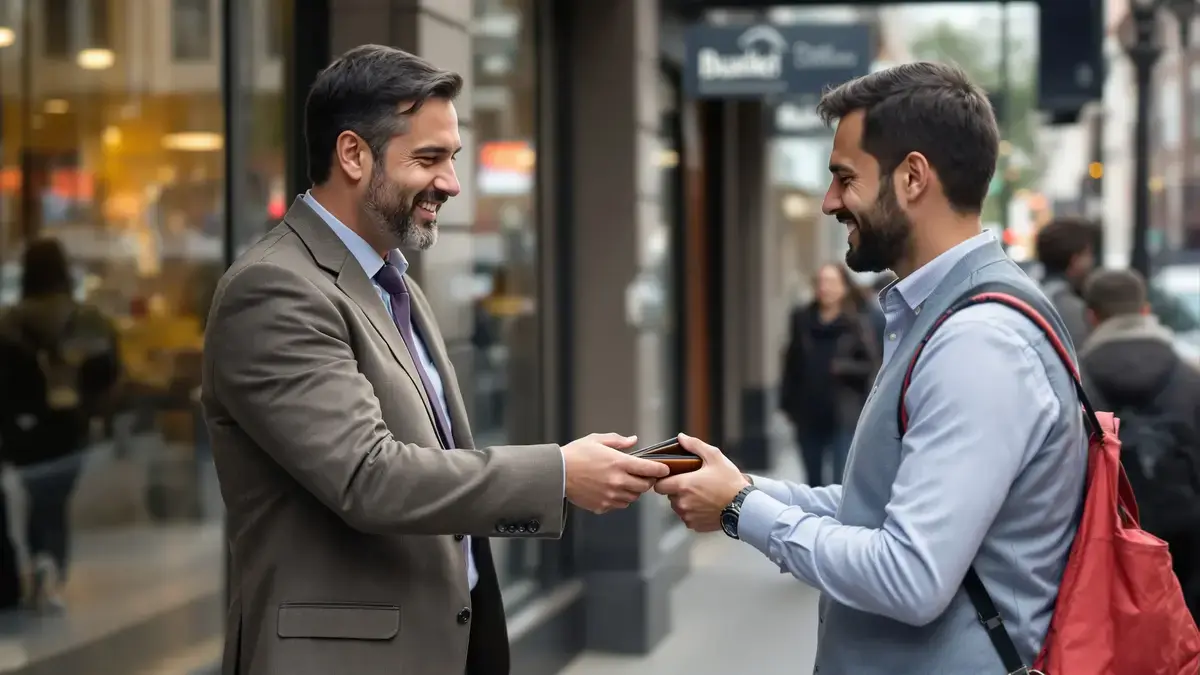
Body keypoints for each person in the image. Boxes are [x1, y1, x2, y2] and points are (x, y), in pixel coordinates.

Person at [201, 45, 668, 675]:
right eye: (429, 159)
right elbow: (368, 477)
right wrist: (557, 475)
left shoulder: (392, 281)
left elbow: (434, 467)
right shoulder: (274, 290)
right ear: (352, 155)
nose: (450, 182)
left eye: (452, 158)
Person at [655, 62, 1089, 673]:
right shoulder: (945, 316)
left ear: (913, 177)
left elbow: (910, 575)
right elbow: (880, 504)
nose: (830, 201)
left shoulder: (978, 342)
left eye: (844, 178)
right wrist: (746, 488)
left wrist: (739, 510)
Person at [0, 237, 121, 611]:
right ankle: (48, 564)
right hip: (70, 424)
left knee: (38, 496)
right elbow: (109, 371)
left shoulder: (9, 321)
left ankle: (39, 561)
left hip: (23, 428)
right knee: (52, 500)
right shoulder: (86, 319)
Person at [1078, 268, 1200, 621]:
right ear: (1145, 311)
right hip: (1183, 538)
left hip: (1106, 539)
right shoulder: (1190, 378)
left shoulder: (1073, 383)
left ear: (1092, 316)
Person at [778, 262, 880, 486]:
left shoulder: (856, 322)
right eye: (821, 282)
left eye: (832, 282)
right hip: (807, 411)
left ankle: (835, 521)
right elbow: (791, 361)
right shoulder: (802, 319)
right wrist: (786, 402)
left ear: (844, 287)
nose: (825, 288)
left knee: (839, 480)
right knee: (812, 480)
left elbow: (870, 365)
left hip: (843, 413)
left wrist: (841, 368)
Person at [1035, 216, 1097, 347]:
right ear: (1075, 260)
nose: (1091, 262)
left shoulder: (1028, 295)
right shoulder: (1074, 311)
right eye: (1088, 254)